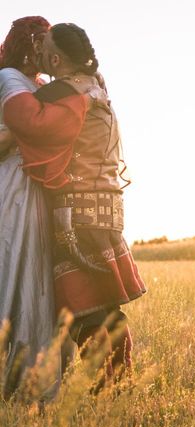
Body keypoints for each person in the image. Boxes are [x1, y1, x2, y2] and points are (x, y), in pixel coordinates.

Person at [3, 22, 146, 389]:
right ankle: (118, 385)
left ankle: (109, 389)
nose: (36, 57)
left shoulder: (60, 94)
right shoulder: (96, 84)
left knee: (85, 309)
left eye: (43, 50)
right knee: (102, 305)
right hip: (104, 208)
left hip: (77, 216)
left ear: (53, 58)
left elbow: (27, 123)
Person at [0, 16, 59, 400]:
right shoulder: (7, 79)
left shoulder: (34, 85)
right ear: (31, 45)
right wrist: (30, 128)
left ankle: (32, 381)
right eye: (44, 45)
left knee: (35, 278)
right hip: (14, 187)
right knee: (15, 269)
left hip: (36, 187)